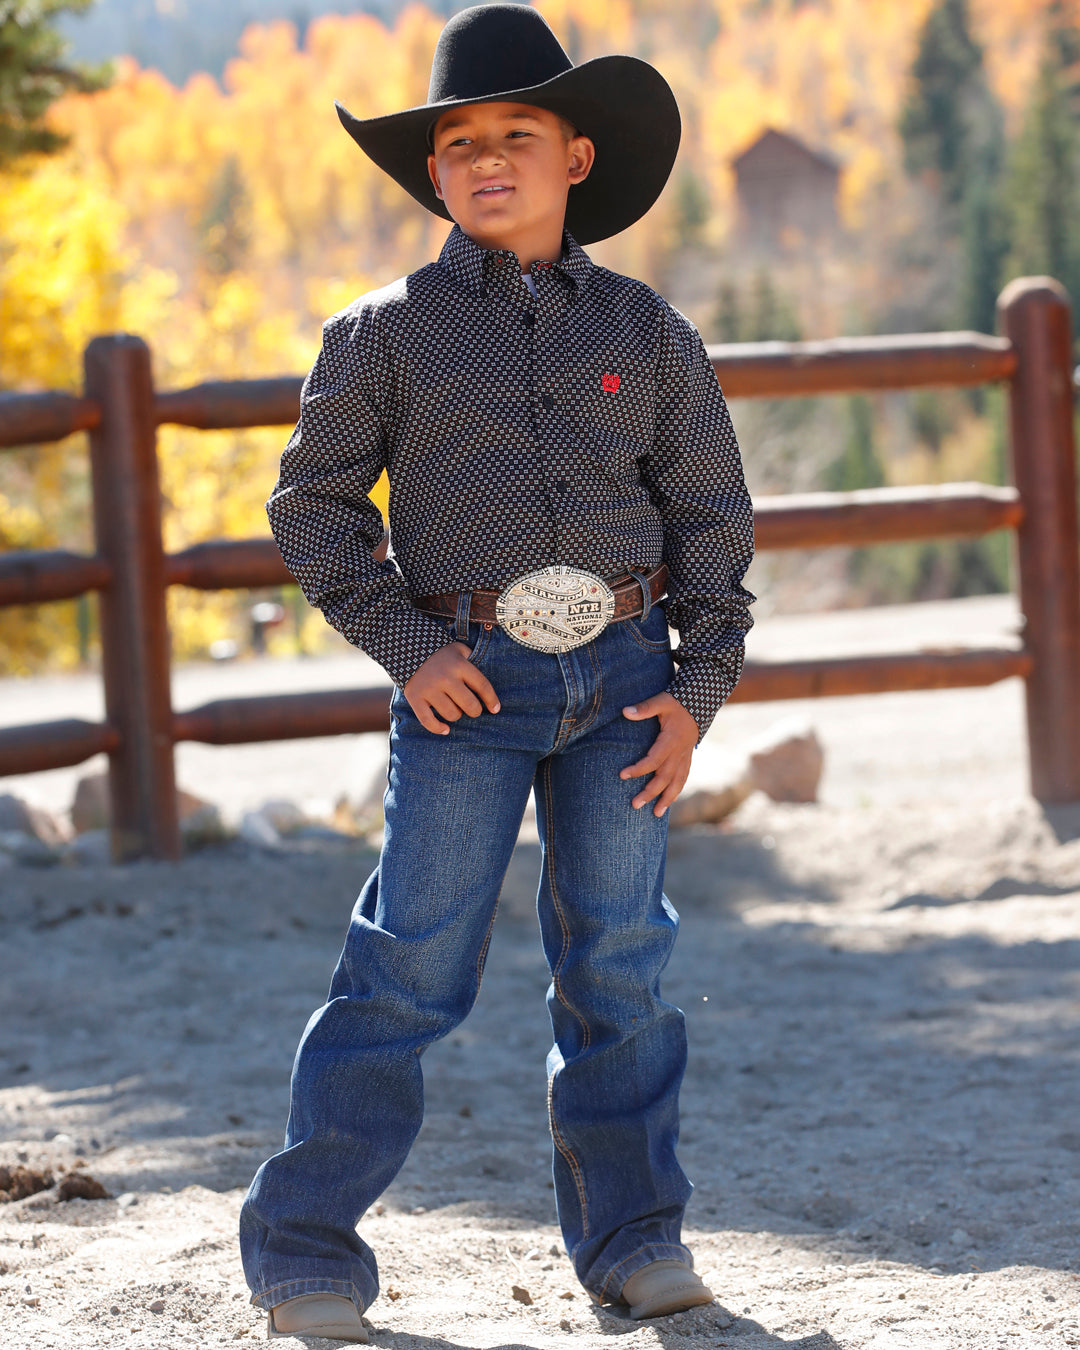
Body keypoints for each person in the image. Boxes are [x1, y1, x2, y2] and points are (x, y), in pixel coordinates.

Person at [238, 5, 755, 1341]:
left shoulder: (650, 334)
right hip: (466, 685)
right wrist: (411, 653)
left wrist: (695, 696)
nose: (482, 161)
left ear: (574, 157)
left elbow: (711, 524)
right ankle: (306, 1254)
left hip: (628, 686)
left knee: (624, 966)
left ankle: (639, 1244)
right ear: (435, 173)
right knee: (408, 961)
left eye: (513, 135)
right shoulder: (384, 334)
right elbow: (315, 508)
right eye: (457, 143)